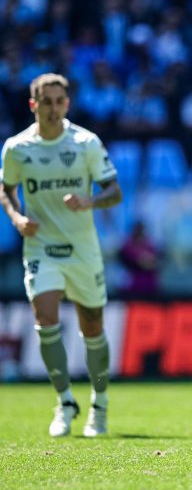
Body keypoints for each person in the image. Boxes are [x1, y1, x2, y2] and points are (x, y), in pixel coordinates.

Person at [0, 73, 123, 437]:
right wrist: (17, 216)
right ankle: (65, 400)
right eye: (47, 102)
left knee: (93, 330)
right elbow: (6, 189)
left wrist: (91, 201)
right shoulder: (17, 148)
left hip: (83, 250)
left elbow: (114, 190)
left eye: (60, 101)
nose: (54, 109)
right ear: (33, 105)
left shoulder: (85, 143)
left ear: (67, 104)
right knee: (46, 319)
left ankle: (98, 406)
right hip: (41, 249)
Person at [118, 221, 160, 296]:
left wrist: (146, 262)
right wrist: (143, 261)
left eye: (142, 230)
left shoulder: (150, 245)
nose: (140, 233)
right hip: (132, 289)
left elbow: (154, 262)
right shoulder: (127, 246)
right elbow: (137, 261)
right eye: (138, 230)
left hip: (150, 289)